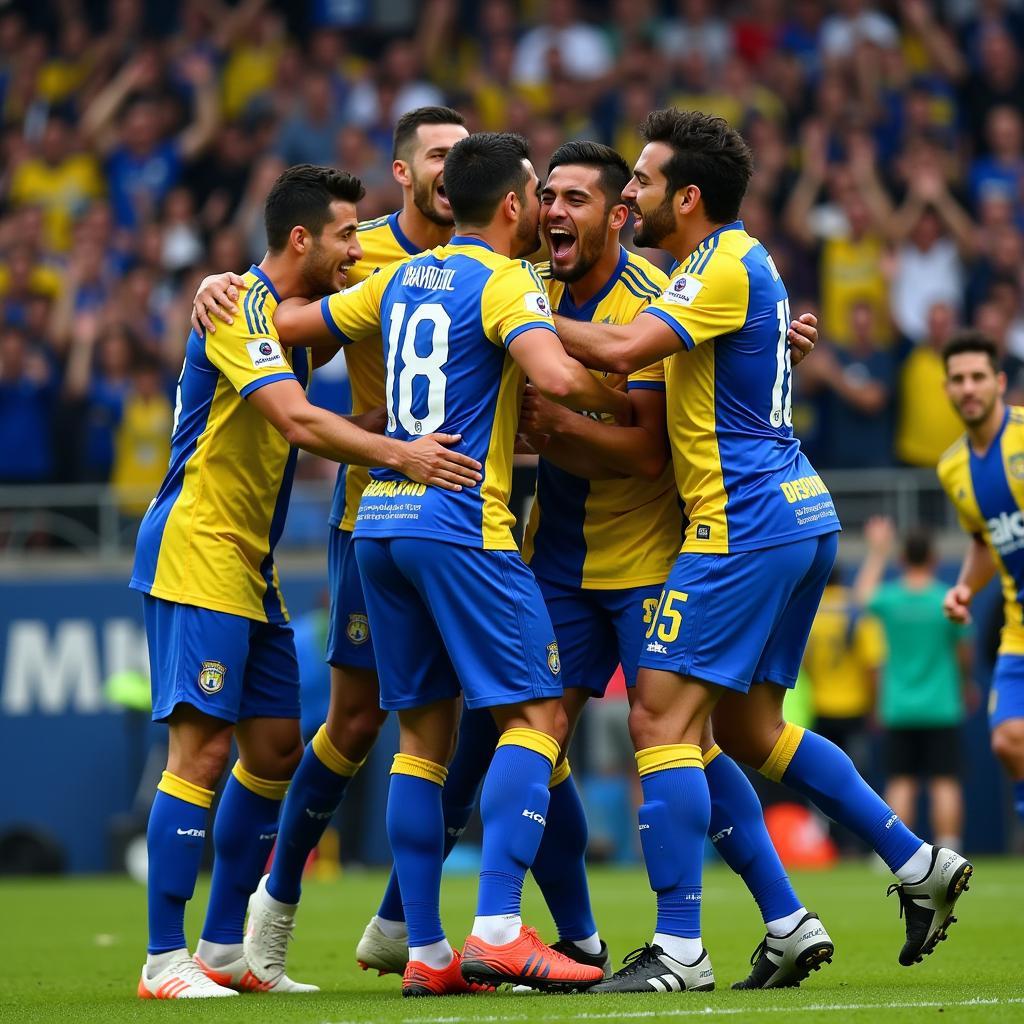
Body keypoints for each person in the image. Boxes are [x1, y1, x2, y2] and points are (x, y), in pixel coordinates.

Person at [363, 140, 833, 991]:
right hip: (554, 559)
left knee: (668, 737)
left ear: (620, 213)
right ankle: (552, 936)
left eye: (575, 199)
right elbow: (363, 255)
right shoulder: (523, 282)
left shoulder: (657, 296)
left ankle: (771, 917)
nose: (553, 213)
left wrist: (571, 423)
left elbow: (651, 453)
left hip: (650, 556)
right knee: (531, 735)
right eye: (546, 197)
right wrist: (240, 283)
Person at [550, 108, 972, 994]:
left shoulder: (725, 264)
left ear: (689, 197)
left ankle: (678, 949)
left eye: (646, 181)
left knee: (659, 719)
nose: (632, 194)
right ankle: (916, 862)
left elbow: (627, 347)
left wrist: (511, 320)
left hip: (740, 525)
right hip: (795, 515)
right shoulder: (727, 267)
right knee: (748, 728)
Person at [264, 131, 632, 996]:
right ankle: (501, 927)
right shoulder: (503, 282)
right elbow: (558, 375)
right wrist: (616, 394)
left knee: (422, 743)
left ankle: (426, 951)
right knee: (538, 719)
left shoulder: (397, 277)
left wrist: (227, 290)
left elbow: (286, 319)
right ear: (510, 206)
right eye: (536, 194)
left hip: (380, 524)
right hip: (463, 520)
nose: (542, 208)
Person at [130, 164, 481, 1000]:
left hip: (250, 560)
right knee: (202, 748)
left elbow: (325, 388)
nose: (357, 244)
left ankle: (224, 950)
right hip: (198, 546)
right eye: (345, 233)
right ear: (301, 240)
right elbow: (293, 418)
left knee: (277, 749)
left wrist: (388, 424)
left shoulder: (287, 318)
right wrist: (404, 454)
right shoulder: (239, 309)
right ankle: (160, 959)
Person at [937, 330, 1024, 829]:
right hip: (1016, 626)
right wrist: (966, 587)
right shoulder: (952, 468)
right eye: (958, 379)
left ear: (999, 382)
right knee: (1007, 738)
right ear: (947, 389)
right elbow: (984, 539)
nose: (968, 388)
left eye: (977, 377)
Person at [854, 517, 973, 854]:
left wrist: (878, 551)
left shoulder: (890, 600)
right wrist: (965, 685)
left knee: (900, 781)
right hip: (942, 705)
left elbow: (862, 595)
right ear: (934, 559)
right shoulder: (945, 600)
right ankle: (950, 851)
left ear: (902, 559)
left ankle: (896, 853)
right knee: (945, 782)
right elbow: (966, 652)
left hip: (900, 707)